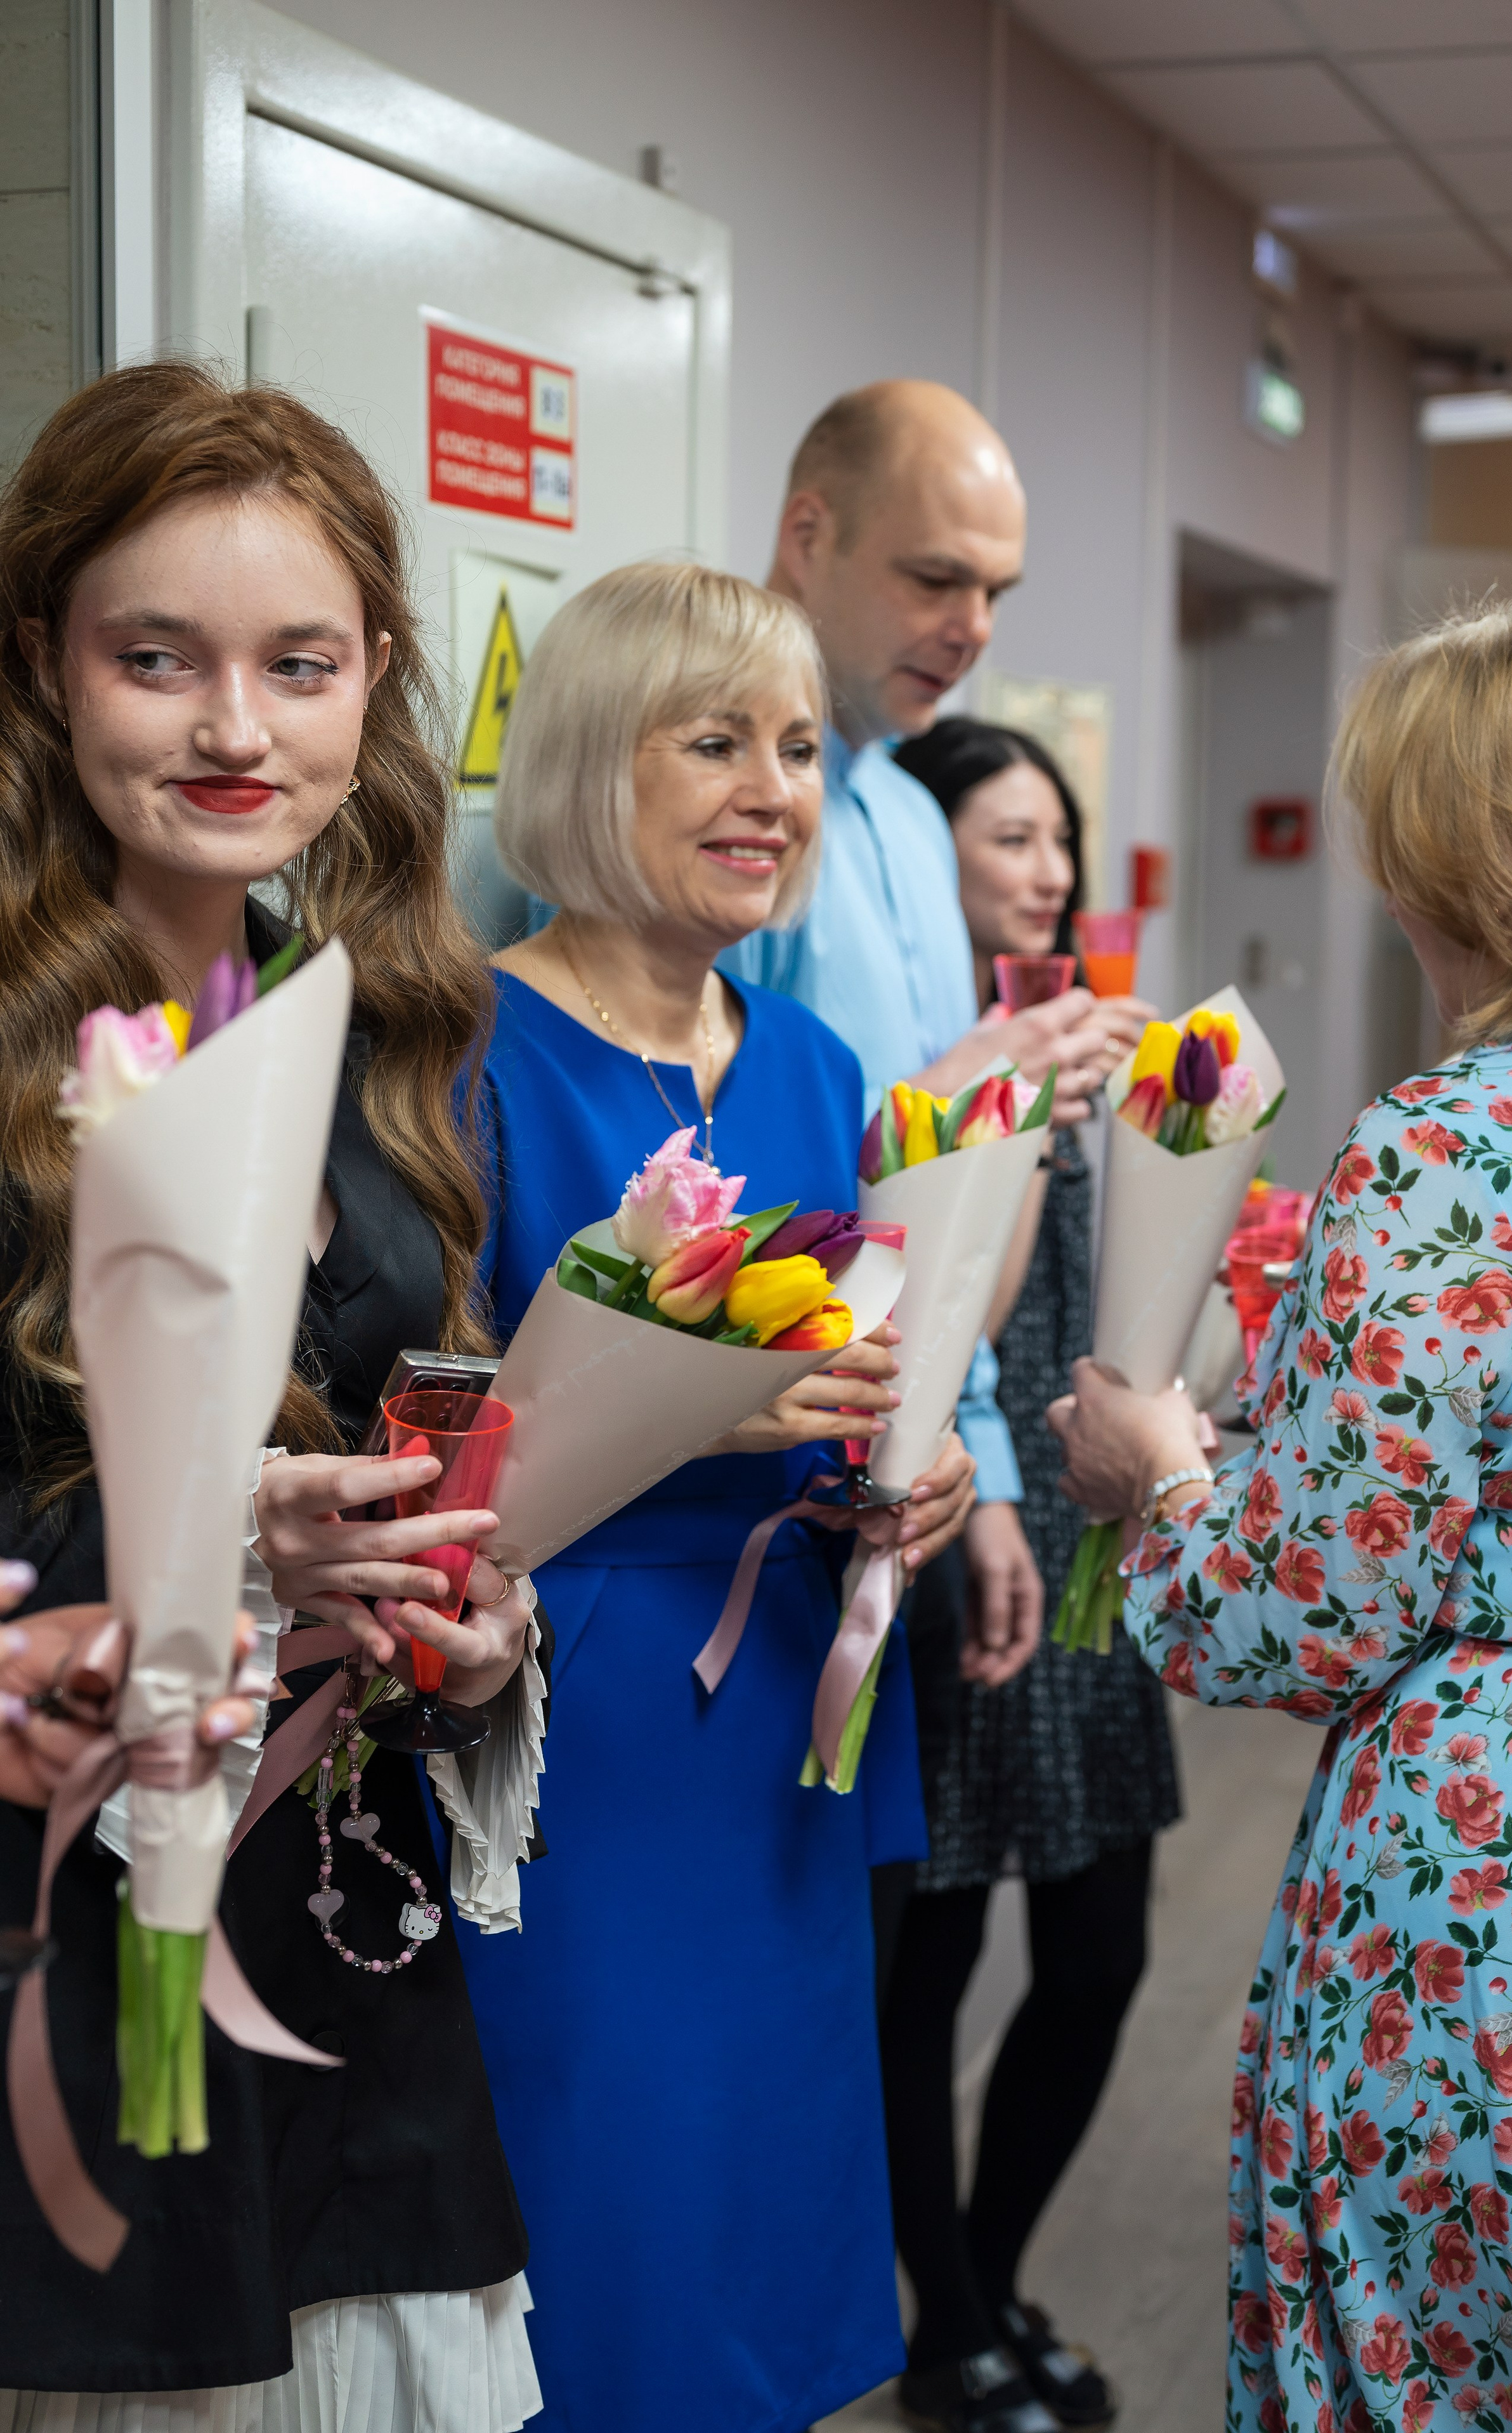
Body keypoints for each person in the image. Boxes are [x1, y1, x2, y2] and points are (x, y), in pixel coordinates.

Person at [0, 360, 542, 2427]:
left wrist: (472, 1638)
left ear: (372, 677)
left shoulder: (382, 1045)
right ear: (45, 665)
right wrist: (216, 1539)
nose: (237, 727)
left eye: (299, 663)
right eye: (158, 658)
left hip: (345, 1969)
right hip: (62, 1981)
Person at [1047, 584, 1512, 2432]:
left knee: (1462, 2359)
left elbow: (1301, 1611)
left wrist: (1161, 1472)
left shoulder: (1454, 1158)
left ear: (1470, 864)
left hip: (1504, 1884)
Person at [457, 557, 977, 2433]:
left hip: (785, 1726)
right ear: (592, 757)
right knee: (608, 2216)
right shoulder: (466, 1055)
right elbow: (424, 1442)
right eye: (713, 742)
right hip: (576, 1729)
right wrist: (694, 1417)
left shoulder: (817, 1063)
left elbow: (844, 1382)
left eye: (799, 748)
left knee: (765, 2210)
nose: (772, 791)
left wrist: (907, 1480)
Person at [721, 383, 1145, 1871]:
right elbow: (696, 1186)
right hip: (745, 1457)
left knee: (873, 1936)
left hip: (908, 1465)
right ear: (808, 533)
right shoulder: (736, 814)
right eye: (932, 578)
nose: (969, 628)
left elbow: (943, 1219)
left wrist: (981, 1464)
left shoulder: (905, 806)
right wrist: (964, 1088)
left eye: (993, 593)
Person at [878, 718, 1169, 2433]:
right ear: (924, 862)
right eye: (1009, 838)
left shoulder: (1080, 1048)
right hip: (965, 1520)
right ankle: (949, 2325)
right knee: (926, 1964)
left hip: (1087, 1524)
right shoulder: (922, 1058)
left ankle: (982, 2281)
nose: (1049, 871)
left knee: (1101, 1950)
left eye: (1060, 839)